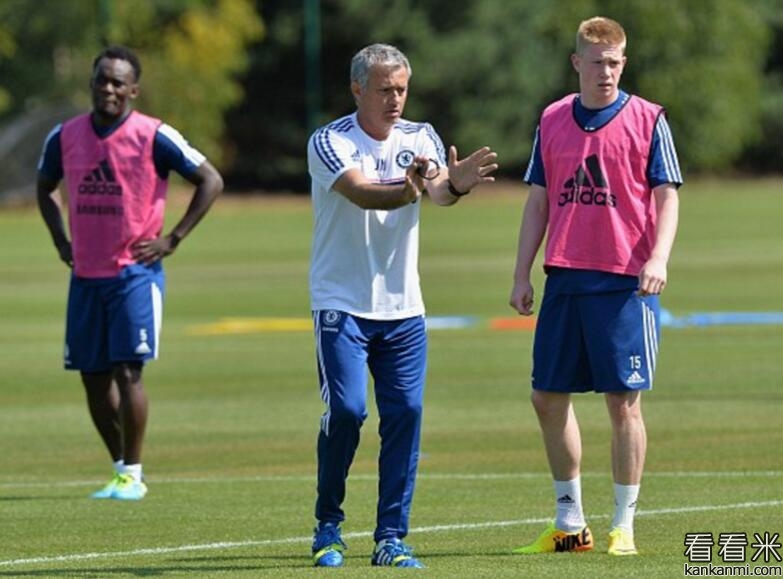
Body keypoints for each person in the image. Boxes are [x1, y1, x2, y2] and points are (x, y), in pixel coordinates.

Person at [307, 43, 497, 568]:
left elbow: (438, 190)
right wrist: (410, 188)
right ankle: (328, 526)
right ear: (357, 89)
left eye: (402, 89)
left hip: (404, 308)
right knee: (347, 411)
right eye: (385, 89)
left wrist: (456, 186)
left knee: (406, 414)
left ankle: (390, 537)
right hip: (341, 304)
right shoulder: (329, 141)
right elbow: (363, 192)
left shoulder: (420, 136)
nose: (395, 99)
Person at [509, 17, 682, 556]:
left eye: (614, 62)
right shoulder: (552, 119)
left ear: (623, 63)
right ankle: (570, 523)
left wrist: (658, 257)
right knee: (546, 396)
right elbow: (538, 200)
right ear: (576, 63)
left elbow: (668, 196)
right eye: (596, 62)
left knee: (622, 402)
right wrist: (521, 272)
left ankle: (623, 525)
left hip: (624, 281)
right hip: (564, 274)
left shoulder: (649, 119)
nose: (606, 72)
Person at [36, 45, 223, 501]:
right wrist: (61, 241)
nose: (108, 88)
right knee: (92, 377)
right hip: (85, 276)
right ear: (91, 83)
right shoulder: (64, 136)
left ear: (133, 90)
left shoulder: (154, 135)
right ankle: (121, 468)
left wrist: (172, 238)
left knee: (128, 371)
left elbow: (211, 179)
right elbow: (45, 187)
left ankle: (134, 475)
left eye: (118, 82)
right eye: (102, 79)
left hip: (134, 274)